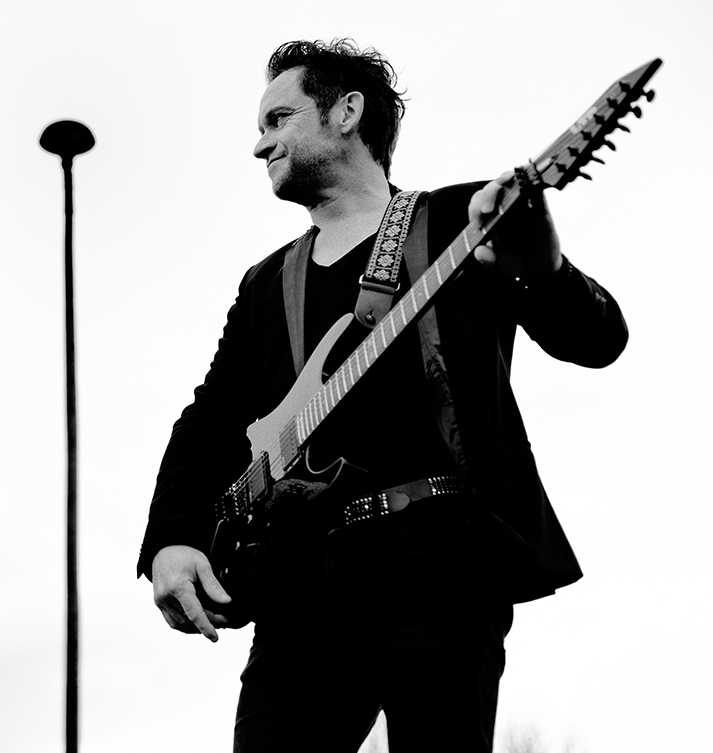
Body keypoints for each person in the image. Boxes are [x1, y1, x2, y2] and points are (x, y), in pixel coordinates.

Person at [137, 39, 628, 752]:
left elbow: (599, 338)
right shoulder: (265, 283)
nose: (259, 144)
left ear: (346, 112)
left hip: (436, 559)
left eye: (278, 119)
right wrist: (173, 538)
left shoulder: (464, 219)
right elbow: (211, 417)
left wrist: (544, 268)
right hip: (298, 584)